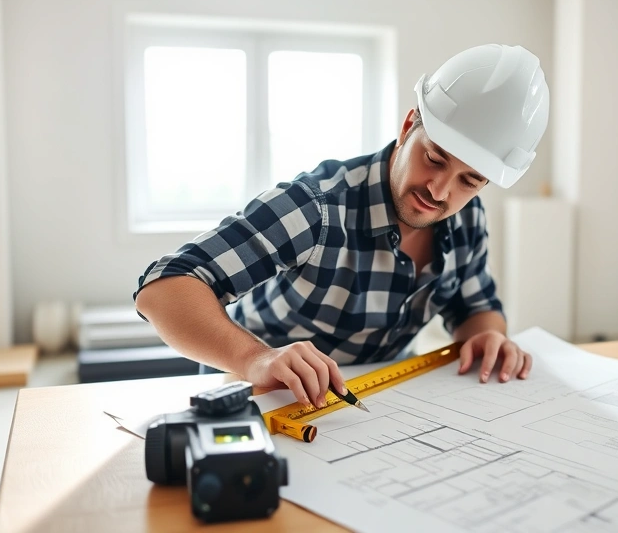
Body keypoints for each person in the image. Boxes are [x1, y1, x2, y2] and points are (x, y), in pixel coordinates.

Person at [134, 43, 550, 409]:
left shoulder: (465, 217)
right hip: (262, 393)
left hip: (374, 407)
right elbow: (164, 287)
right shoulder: (316, 207)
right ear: (408, 126)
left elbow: (473, 306)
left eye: (469, 180)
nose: (440, 191)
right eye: (435, 159)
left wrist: (487, 336)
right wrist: (255, 359)